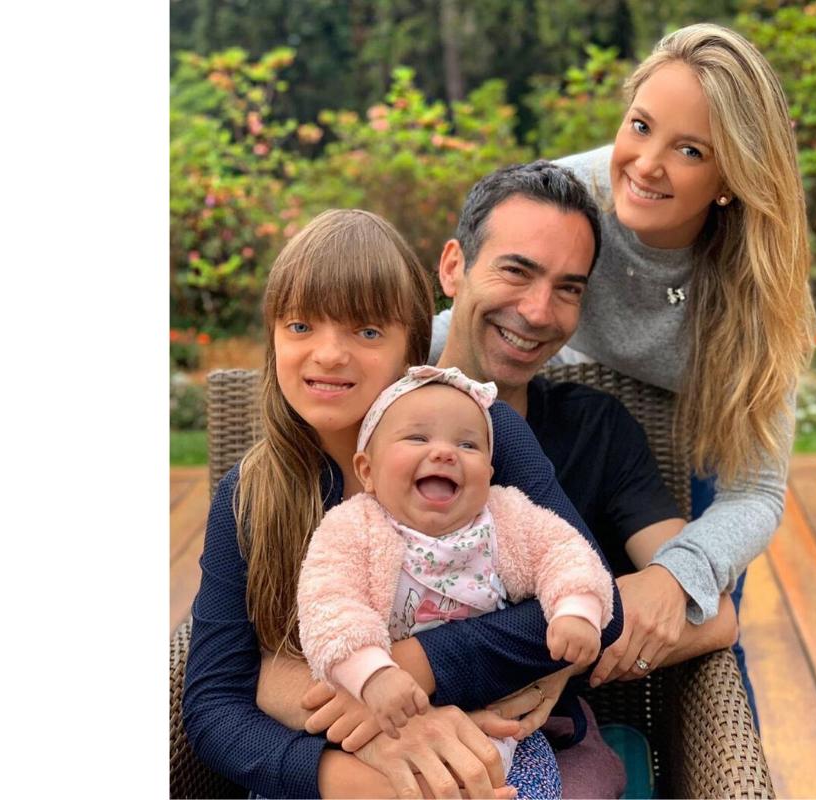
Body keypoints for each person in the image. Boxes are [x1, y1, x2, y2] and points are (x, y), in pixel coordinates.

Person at [434, 22, 816, 726]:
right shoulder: (579, 198)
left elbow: (757, 490)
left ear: (731, 177)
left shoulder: (759, 286)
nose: (645, 164)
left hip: (696, 435)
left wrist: (675, 575)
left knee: (705, 623)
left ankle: (721, 751)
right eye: (640, 126)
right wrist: (400, 381)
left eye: (690, 150)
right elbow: (479, 306)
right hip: (564, 400)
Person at [182, 208, 623, 799]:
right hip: (342, 768)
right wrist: (360, 778)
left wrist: (410, 668)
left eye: (366, 332)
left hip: (499, 747)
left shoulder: (477, 437)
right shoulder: (251, 495)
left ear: (412, 348)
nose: (328, 354)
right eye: (300, 326)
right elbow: (214, 703)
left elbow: (597, 597)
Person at [428, 159, 739, 798]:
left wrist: (563, 657)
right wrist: (537, 648)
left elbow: (713, 617)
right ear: (454, 267)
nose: (538, 311)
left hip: (542, 748)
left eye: (568, 288)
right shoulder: (374, 420)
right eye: (517, 271)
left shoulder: (596, 430)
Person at [297, 366, 614, 795]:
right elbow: (328, 606)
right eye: (417, 438)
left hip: (498, 720)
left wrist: (575, 609)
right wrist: (373, 675)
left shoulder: (505, 517)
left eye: (467, 444)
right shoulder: (354, 528)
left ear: (489, 471)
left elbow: (565, 552)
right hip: (392, 723)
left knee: (532, 785)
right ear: (367, 470)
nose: (445, 453)